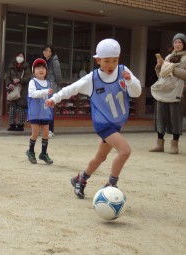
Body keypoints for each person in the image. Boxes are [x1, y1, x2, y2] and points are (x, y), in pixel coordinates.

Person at [46, 39, 142, 199]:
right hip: (103, 124)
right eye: (107, 61)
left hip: (116, 124)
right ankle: (111, 184)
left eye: (115, 60)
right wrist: (54, 99)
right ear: (98, 60)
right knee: (125, 151)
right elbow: (71, 89)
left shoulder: (123, 71)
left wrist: (130, 81)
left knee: (100, 157)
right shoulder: (92, 78)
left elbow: (136, 92)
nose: (111, 65)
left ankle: (80, 179)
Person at [149, 33, 186, 154]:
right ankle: (159, 144)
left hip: (177, 91)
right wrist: (159, 66)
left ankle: (174, 144)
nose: (177, 44)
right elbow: (161, 75)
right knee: (161, 116)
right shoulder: (168, 56)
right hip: (164, 90)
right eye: (175, 42)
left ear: (184, 44)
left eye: (180, 42)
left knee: (175, 117)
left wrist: (172, 69)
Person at [26, 58, 54, 165]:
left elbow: (49, 97)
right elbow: (33, 94)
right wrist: (46, 91)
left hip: (45, 112)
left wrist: (53, 101)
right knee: (35, 133)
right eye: (38, 68)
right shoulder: (32, 82)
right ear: (33, 71)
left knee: (46, 133)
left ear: (46, 71)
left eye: (43, 68)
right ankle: (31, 151)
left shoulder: (48, 83)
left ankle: (43, 153)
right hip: (35, 112)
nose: (41, 70)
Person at [5, 52, 32, 131]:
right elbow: (7, 77)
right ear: (16, 57)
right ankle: (12, 124)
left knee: (21, 107)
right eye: (19, 56)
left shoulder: (26, 67)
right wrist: (9, 83)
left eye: (22, 56)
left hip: (22, 89)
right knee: (12, 107)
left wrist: (19, 80)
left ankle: (20, 125)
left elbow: (28, 78)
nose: (20, 57)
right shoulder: (11, 66)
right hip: (13, 89)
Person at [42, 44, 62, 138]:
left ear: (52, 52)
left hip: (51, 88)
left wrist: (55, 87)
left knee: (49, 110)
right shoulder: (43, 61)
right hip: (44, 88)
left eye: (48, 51)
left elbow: (58, 76)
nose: (45, 52)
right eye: (44, 51)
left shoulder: (54, 61)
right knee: (44, 110)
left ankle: (50, 130)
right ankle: (46, 129)